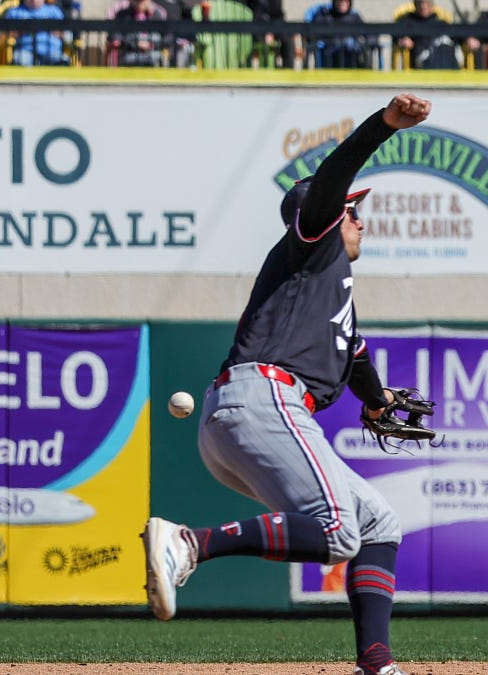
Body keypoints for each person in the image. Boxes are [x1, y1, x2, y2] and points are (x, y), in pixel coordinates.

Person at [142, 93, 433, 675]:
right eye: (352, 212)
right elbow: (333, 177)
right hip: (265, 400)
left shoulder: (326, 285)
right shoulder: (312, 240)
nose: (360, 221)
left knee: (378, 524)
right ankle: (189, 543)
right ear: (324, 215)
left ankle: (376, 662)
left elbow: (354, 352)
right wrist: (383, 125)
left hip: (247, 413)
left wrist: (376, 401)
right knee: (338, 531)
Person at [2, 0, 70, 66]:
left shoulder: (54, 11)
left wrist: (47, 28)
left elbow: (66, 34)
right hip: (25, 50)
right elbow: (4, 34)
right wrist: (23, 30)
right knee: (20, 60)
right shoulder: (14, 12)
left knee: (61, 61)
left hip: (52, 50)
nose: (34, 0)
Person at [395, 0, 459, 70]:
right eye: (420, 3)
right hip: (422, 69)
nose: (423, 6)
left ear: (433, 5)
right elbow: (395, 35)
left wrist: (467, 40)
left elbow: (459, 37)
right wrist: (402, 40)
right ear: (415, 4)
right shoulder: (407, 22)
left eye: (427, 3)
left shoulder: (441, 23)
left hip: (450, 71)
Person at [307, 0, 367, 68]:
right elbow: (312, 32)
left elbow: (368, 32)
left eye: (346, 1)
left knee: (351, 43)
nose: (342, 3)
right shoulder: (324, 15)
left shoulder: (355, 17)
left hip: (351, 54)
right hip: (329, 52)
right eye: (339, 1)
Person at [110, 0, 168, 67]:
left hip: (152, 56)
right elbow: (116, 36)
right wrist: (135, 43)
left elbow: (166, 37)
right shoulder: (122, 15)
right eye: (137, 1)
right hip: (130, 54)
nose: (139, 3)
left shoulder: (157, 15)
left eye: (142, 1)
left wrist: (151, 44)